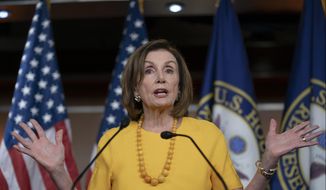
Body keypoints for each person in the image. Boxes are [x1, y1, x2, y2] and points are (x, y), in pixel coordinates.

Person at [12, 39, 322, 190]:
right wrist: (57, 170)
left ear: (178, 85)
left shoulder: (203, 134)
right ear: (137, 87)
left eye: (169, 70)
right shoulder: (113, 139)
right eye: (150, 71)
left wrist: (269, 161)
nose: (160, 77)